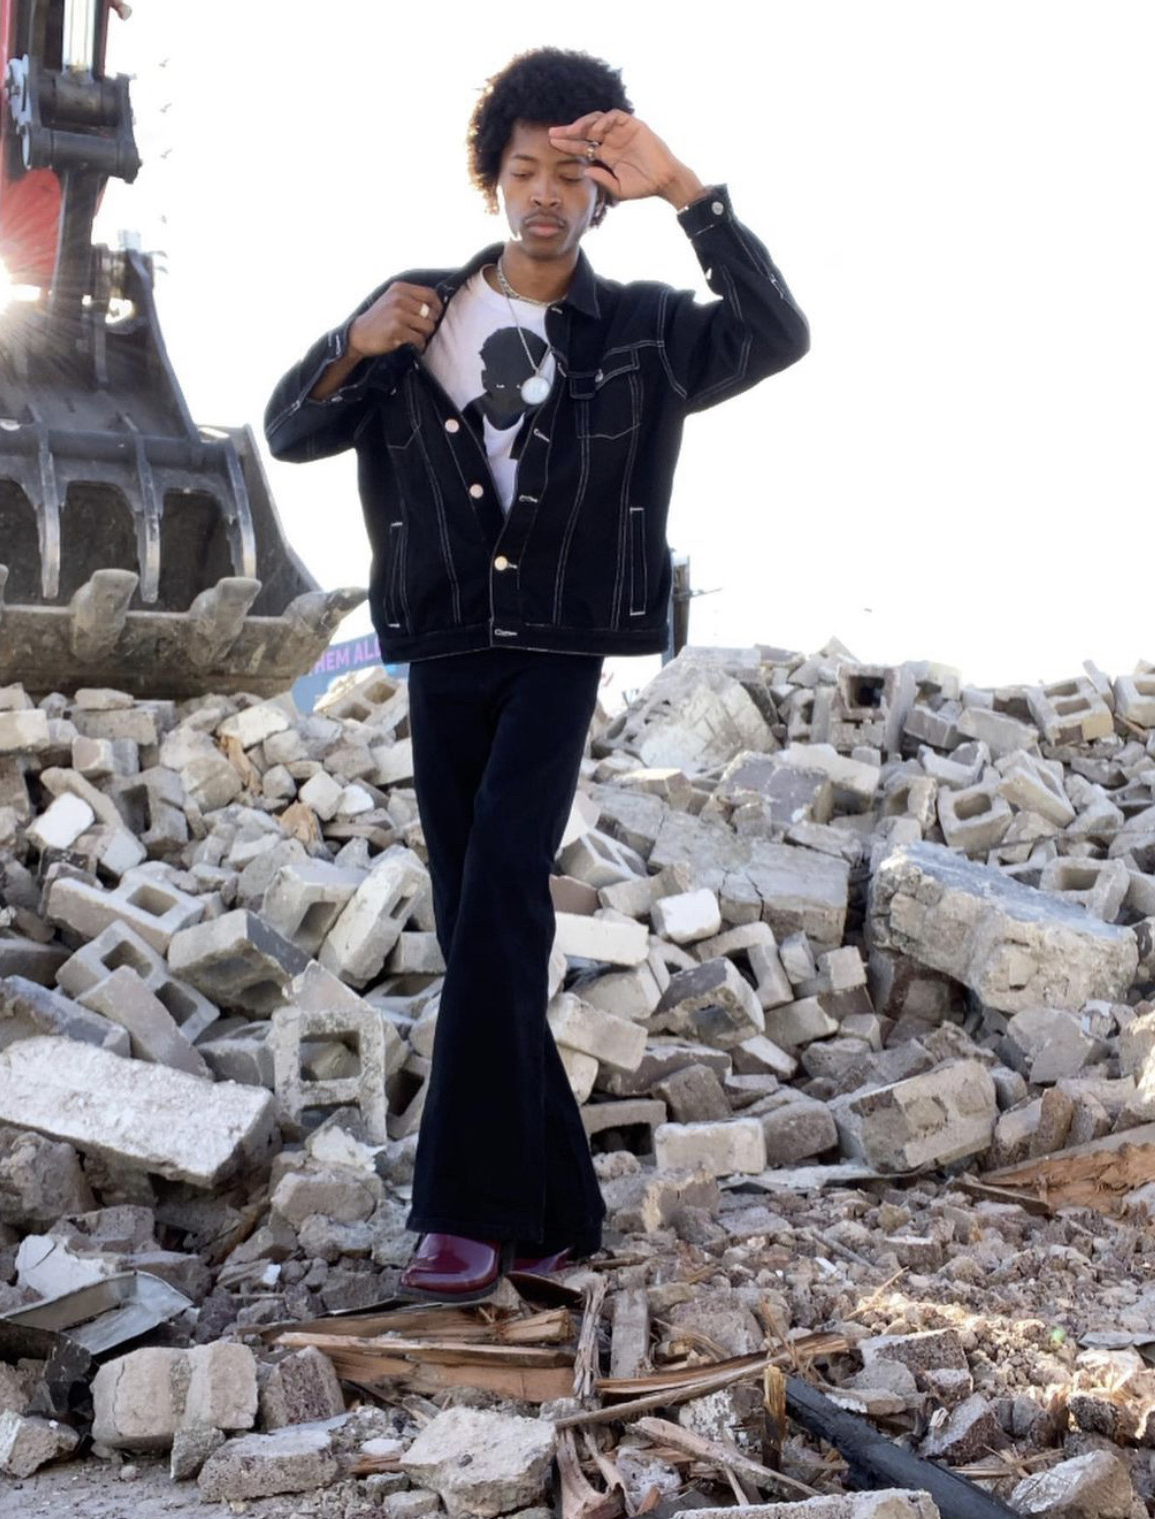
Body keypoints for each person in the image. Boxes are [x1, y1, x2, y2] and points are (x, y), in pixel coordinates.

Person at [264, 47, 809, 1302]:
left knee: (505, 881)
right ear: (494, 180)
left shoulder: (645, 332)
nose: (547, 195)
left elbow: (778, 333)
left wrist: (689, 190)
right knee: (481, 928)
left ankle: (456, 1217)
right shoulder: (414, 309)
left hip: (561, 646)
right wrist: (353, 342)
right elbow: (293, 430)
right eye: (525, 171)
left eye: (574, 174)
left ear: (602, 191)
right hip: (443, 643)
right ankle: (560, 1206)